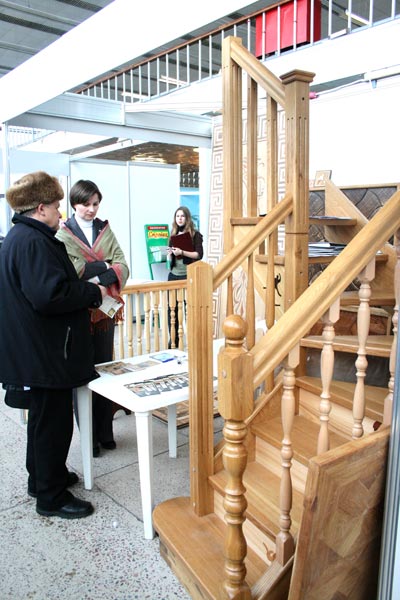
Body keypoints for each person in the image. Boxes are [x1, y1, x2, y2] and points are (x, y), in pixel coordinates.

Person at [0, 171, 107, 519]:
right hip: (46, 353)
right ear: (41, 207)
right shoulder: (33, 241)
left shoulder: (21, 237)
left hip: (37, 350)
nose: (60, 212)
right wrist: (91, 292)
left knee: (41, 420)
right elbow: (50, 295)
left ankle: (44, 478)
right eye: (57, 205)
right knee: (53, 425)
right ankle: (51, 497)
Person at [56, 180, 129, 456]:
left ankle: (105, 432)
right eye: (85, 204)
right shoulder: (64, 234)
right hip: (79, 314)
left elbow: (123, 264)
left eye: (95, 204)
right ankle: (89, 439)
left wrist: (97, 274)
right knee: (83, 374)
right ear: (74, 204)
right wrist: (105, 266)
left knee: (105, 370)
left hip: (104, 312)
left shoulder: (104, 229)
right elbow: (73, 270)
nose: (91, 209)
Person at [167, 206, 203, 348]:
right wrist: (169, 254)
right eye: (177, 216)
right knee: (172, 309)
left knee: (190, 308)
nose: (180, 218)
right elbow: (170, 260)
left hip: (188, 275)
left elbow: (198, 254)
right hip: (173, 275)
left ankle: (193, 338)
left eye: (182, 216)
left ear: (187, 218)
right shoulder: (173, 234)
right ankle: (173, 339)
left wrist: (182, 251)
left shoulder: (195, 235)